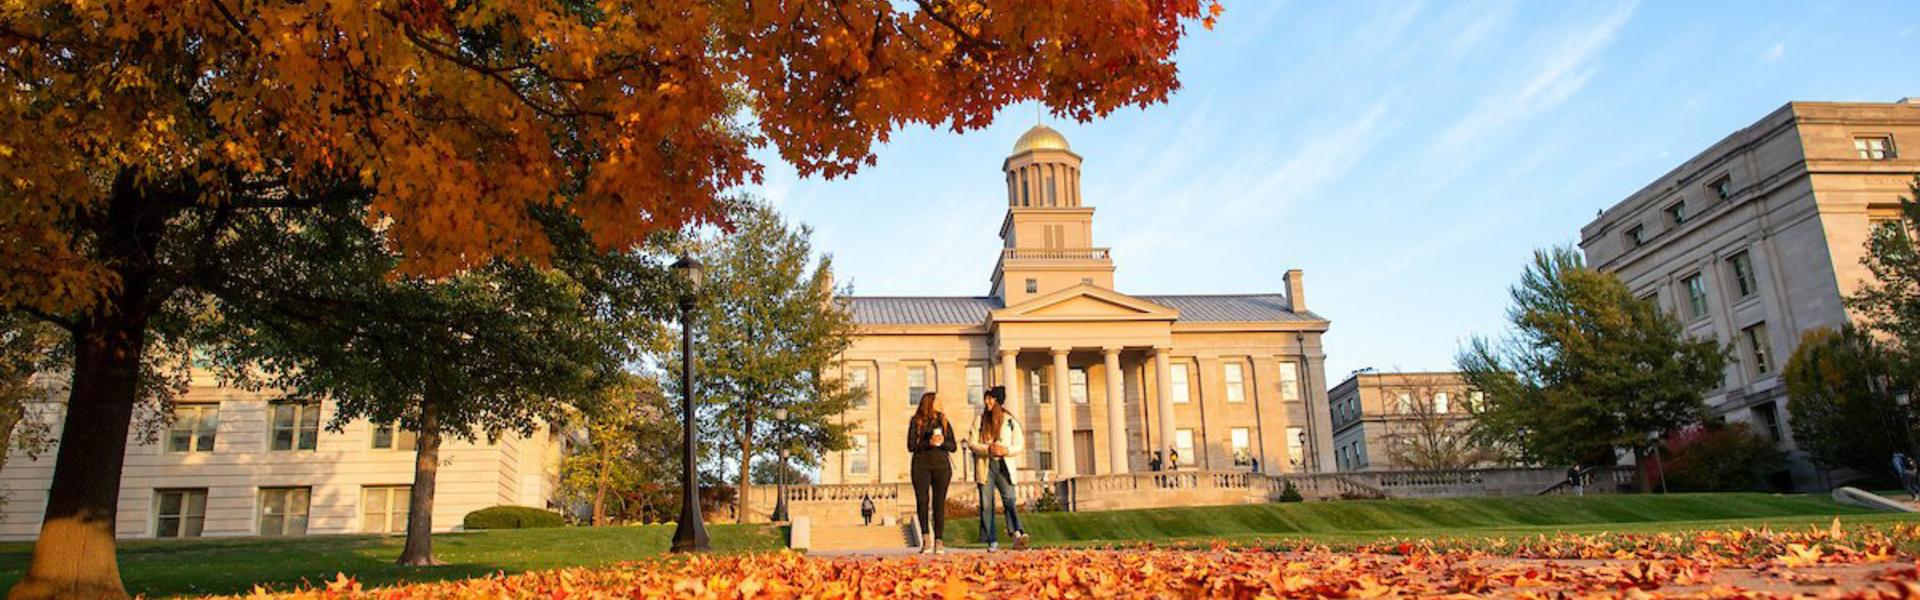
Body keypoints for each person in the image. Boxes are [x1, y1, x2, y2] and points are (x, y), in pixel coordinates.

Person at [967, 386, 1029, 551]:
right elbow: (971, 443)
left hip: (1004, 464)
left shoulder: (1010, 421)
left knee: (1009, 499)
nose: (987, 401)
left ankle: (1017, 531)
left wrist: (1006, 450)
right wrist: (987, 449)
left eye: (991, 398)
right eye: (986, 398)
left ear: (998, 401)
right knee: (987, 505)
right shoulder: (979, 420)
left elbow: (1019, 444)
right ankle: (992, 540)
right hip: (986, 465)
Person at [907, 391, 956, 554]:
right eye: (937, 400)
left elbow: (953, 446)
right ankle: (926, 539)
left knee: (939, 504)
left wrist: (942, 443)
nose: (941, 403)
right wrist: (927, 443)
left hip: (941, 467)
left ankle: (939, 541)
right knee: (922, 502)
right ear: (930, 402)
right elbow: (911, 446)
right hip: (921, 466)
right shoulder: (916, 421)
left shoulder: (944, 421)